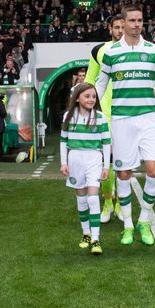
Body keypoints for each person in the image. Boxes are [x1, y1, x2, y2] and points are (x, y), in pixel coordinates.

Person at [95, 4, 155, 246]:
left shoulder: (153, 50)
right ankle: (128, 225)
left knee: (154, 171)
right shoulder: (111, 53)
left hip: (147, 119)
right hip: (121, 120)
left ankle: (144, 220)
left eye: (139, 20)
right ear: (122, 24)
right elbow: (101, 84)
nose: (136, 24)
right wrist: (89, 109)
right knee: (123, 173)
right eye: (132, 20)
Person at [59, 83, 111, 255]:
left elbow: (106, 143)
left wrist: (106, 165)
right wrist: (64, 162)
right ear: (78, 97)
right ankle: (86, 233)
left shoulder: (101, 117)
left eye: (93, 97)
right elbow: (63, 141)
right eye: (87, 96)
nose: (91, 99)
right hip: (75, 159)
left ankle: (96, 239)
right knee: (81, 198)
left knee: (93, 198)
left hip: (94, 158)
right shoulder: (68, 116)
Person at [84, 14, 123, 224]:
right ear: (110, 29)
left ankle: (120, 203)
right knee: (105, 162)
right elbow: (90, 81)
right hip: (105, 115)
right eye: (116, 27)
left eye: (122, 27)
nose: (119, 31)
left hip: (126, 115)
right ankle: (108, 202)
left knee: (122, 164)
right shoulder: (99, 50)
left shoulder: (134, 51)